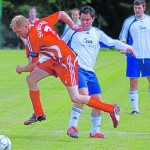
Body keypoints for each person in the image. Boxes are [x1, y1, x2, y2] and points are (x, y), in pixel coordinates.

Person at [10, 11, 121, 131]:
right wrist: (73, 26)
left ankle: (110, 108)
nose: (17, 35)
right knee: (31, 79)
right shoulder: (41, 22)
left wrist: (21, 69)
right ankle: (39, 113)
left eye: (18, 31)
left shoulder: (32, 38)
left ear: (26, 26)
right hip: (54, 60)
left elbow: (32, 65)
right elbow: (61, 14)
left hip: (66, 61)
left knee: (76, 97)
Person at [61, 6, 136, 139]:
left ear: (93, 19)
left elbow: (112, 42)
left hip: (90, 72)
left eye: (87, 20)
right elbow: (58, 44)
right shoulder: (73, 30)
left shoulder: (97, 33)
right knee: (83, 94)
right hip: (76, 68)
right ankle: (72, 126)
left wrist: (128, 47)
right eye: (82, 19)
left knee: (97, 103)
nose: (84, 22)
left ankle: (94, 132)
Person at [119, 0, 150, 115]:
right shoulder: (129, 22)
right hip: (133, 56)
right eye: (135, 8)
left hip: (148, 56)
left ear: (144, 8)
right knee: (133, 81)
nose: (137, 10)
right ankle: (135, 109)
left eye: (139, 8)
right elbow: (123, 37)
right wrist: (124, 47)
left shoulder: (149, 21)